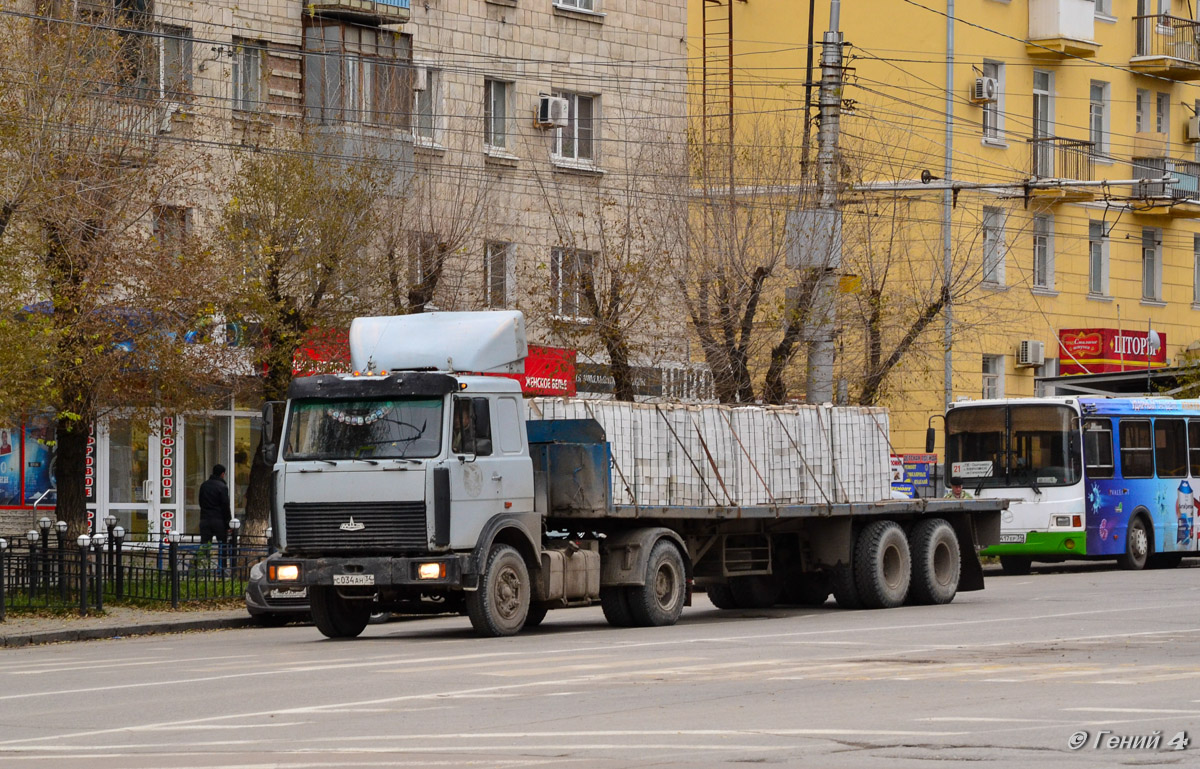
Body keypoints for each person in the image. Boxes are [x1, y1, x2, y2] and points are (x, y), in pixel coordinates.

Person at [198, 464, 231, 545]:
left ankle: (203, 557)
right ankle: (222, 558)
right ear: (222, 474)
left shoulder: (204, 485)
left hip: (205, 519)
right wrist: (228, 523)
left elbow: (200, 501)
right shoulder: (222, 487)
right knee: (222, 545)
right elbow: (225, 506)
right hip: (219, 521)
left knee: (205, 545)